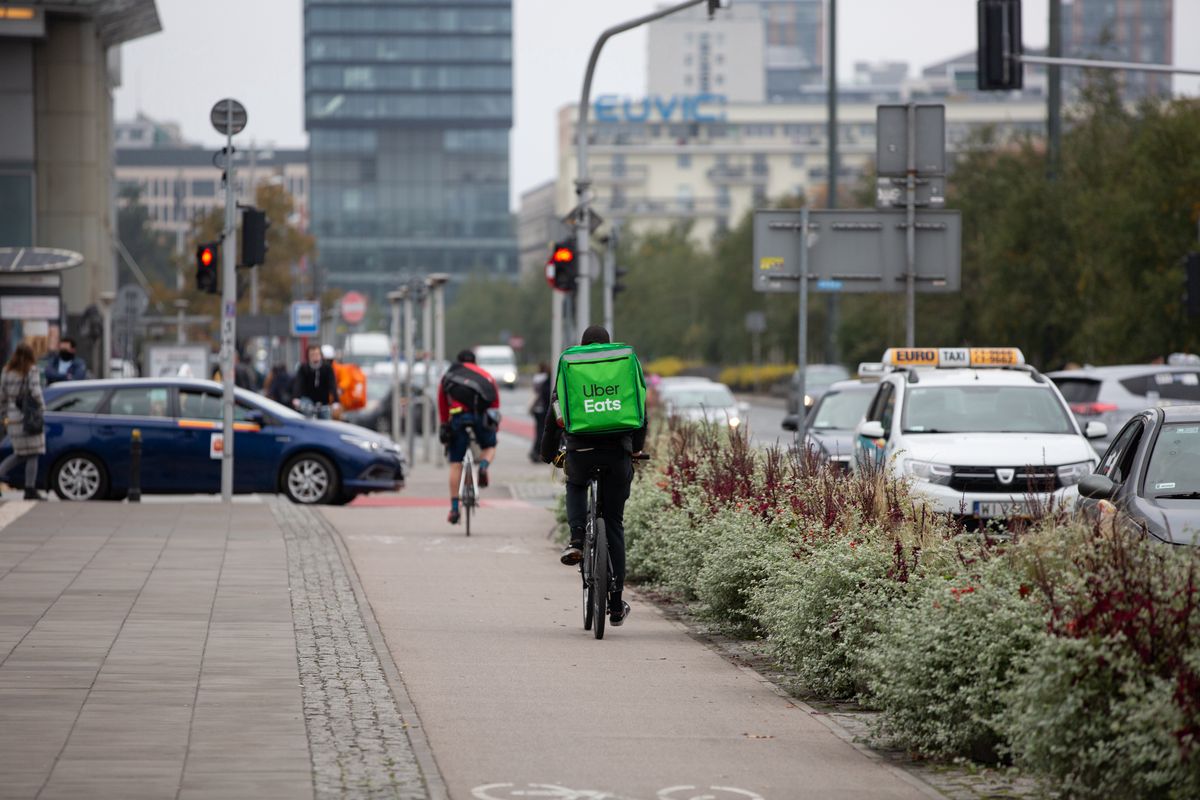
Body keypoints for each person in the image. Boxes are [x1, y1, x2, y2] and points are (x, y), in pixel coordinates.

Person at [540, 325, 647, 627]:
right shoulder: (624, 362)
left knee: (574, 483)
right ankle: (614, 605)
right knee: (613, 523)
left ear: (583, 344)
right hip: (617, 453)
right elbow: (640, 411)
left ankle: (576, 538)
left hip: (581, 451)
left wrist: (547, 453)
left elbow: (553, 414)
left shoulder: (571, 364)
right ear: (608, 344)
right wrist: (635, 448)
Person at [437, 349, 500, 525]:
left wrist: (444, 423)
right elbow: (494, 405)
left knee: (456, 464)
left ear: (458, 361)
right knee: (490, 446)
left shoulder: (449, 376)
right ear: (475, 362)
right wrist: (494, 429)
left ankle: (454, 509)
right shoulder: (486, 376)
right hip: (480, 418)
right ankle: (483, 467)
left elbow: (442, 403)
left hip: (457, 419)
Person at [1, 343, 46, 500]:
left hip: (13, 419)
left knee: (20, 454)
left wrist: (3, 416)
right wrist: (42, 408)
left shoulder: (6, 372)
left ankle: (29, 488)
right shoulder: (31, 369)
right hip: (29, 417)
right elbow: (35, 391)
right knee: (34, 453)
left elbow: (2, 397)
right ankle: (30, 488)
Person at [291, 344, 339, 418]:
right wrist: (296, 398)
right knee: (307, 418)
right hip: (308, 400)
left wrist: (336, 401)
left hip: (323, 402)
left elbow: (332, 384)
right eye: (312, 355)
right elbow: (298, 383)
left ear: (321, 355)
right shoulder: (304, 368)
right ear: (308, 356)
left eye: (317, 354)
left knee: (326, 421)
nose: (315, 357)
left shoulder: (327, 368)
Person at [528, 361, 551, 462]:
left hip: (536, 408)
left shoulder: (536, 378)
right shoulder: (546, 379)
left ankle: (535, 451)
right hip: (543, 408)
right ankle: (537, 452)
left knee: (538, 430)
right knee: (542, 432)